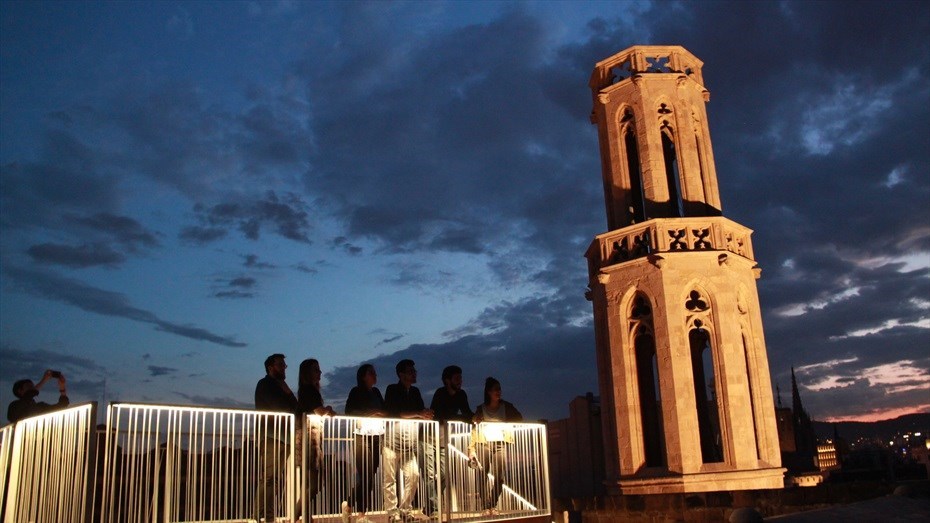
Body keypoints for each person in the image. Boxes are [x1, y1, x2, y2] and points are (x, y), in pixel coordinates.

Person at [382, 359, 433, 521]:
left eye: (414, 370)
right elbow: (396, 412)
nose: (414, 373)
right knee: (389, 479)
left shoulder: (415, 392)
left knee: (414, 475)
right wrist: (419, 413)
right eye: (410, 371)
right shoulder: (392, 390)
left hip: (409, 445)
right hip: (391, 442)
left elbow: (419, 412)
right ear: (401, 374)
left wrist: (426, 415)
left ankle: (405, 509)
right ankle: (392, 513)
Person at [468, 377, 522, 516]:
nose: (499, 392)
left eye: (499, 389)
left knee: (500, 476)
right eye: (496, 389)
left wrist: (507, 423)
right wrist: (471, 449)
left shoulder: (507, 406)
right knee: (482, 474)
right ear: (488, 392)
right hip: (483, 443)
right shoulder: (481, 408)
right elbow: (474, 429)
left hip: (500, 443)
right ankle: (485, 506)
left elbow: (519, 417)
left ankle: (492, 504)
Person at [255, 353, 298, 523]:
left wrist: (288, 392)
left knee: (276, 479)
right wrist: (287, 395)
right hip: (272, 436)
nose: (284, 368)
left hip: (285, 438)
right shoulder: (265, 384)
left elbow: (296, 407)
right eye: (281, 365)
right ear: (270, 367)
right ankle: (260, 517)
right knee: (268, 478)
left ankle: (270, 517)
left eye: (284, 365)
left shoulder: (282, 386)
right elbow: (281, 408)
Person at [426, 365, 473, 517]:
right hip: (428, 438)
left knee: (444, 474)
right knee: (431, 474)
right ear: (447, 380)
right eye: (457, 378)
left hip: (443, 440)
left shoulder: (461, 394)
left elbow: (467, 413)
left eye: (461, 377)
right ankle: (433, 508)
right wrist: (464, 418)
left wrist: (474, 418)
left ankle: (431, 503)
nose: (460, 381)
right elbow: (440, 415)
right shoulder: (440, 393)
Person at [344, 364, 387, 523]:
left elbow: (385, 410)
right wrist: (371, 413)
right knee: (366, 475)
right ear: (363, 376)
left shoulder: (376, 392)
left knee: (370, 475)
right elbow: (349, 411)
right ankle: (362, 514)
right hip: (362, 436)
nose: (375, 375)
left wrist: (379, 413)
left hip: (377, 436)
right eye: (371, 373)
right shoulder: (356, 391)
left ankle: (349, 503)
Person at [297, 359, 336, 517]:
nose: (320, 373)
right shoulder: (309, 390)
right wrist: (328, 409)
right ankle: (298, 515)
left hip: (310, 438)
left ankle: (304, 515)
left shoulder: (308, 390)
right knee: (314, 483)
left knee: (312, 482)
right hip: (309, 439)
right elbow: (318, 411)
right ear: (307, 373)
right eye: (316, 370)